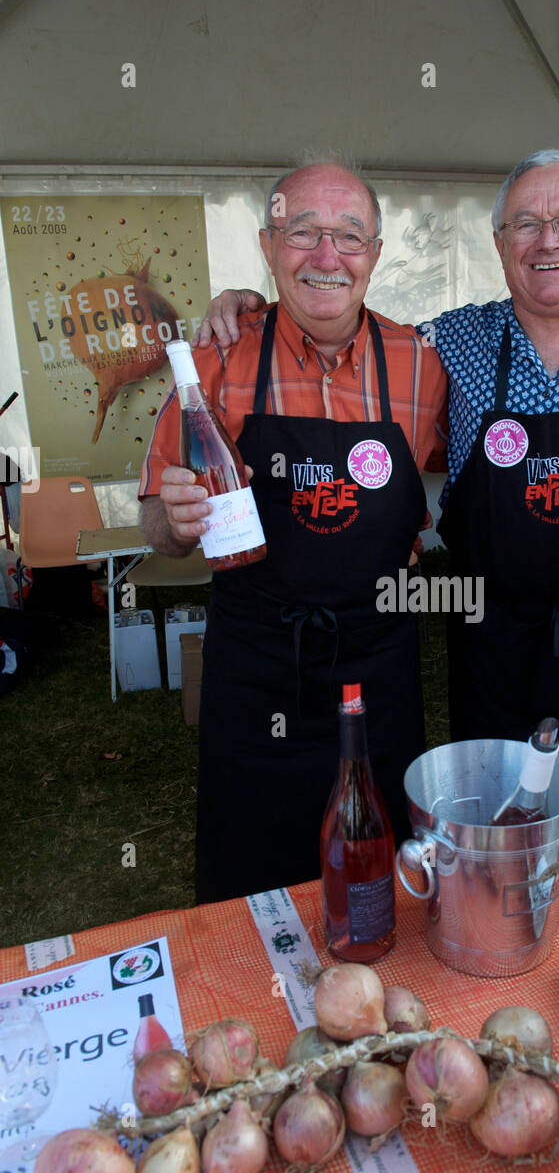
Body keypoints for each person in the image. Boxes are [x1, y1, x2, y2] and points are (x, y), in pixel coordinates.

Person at [195, 149, 559, 817]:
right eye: (525, 225)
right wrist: (256, 306)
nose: (548, 241)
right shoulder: (448, 343)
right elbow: (340, 319)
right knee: (488, 815)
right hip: (490, 632)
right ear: (499, 243)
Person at [139, 163, 447, 902]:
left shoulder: (424, 364)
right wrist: (173, 520)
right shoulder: (212, 360)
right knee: (250, 876)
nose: (326, 255)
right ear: (269, 244)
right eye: (302, 232)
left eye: (348, 236)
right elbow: (154, 519)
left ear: (375, 252)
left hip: (380, 664)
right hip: (257, 667)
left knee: (383, 869)